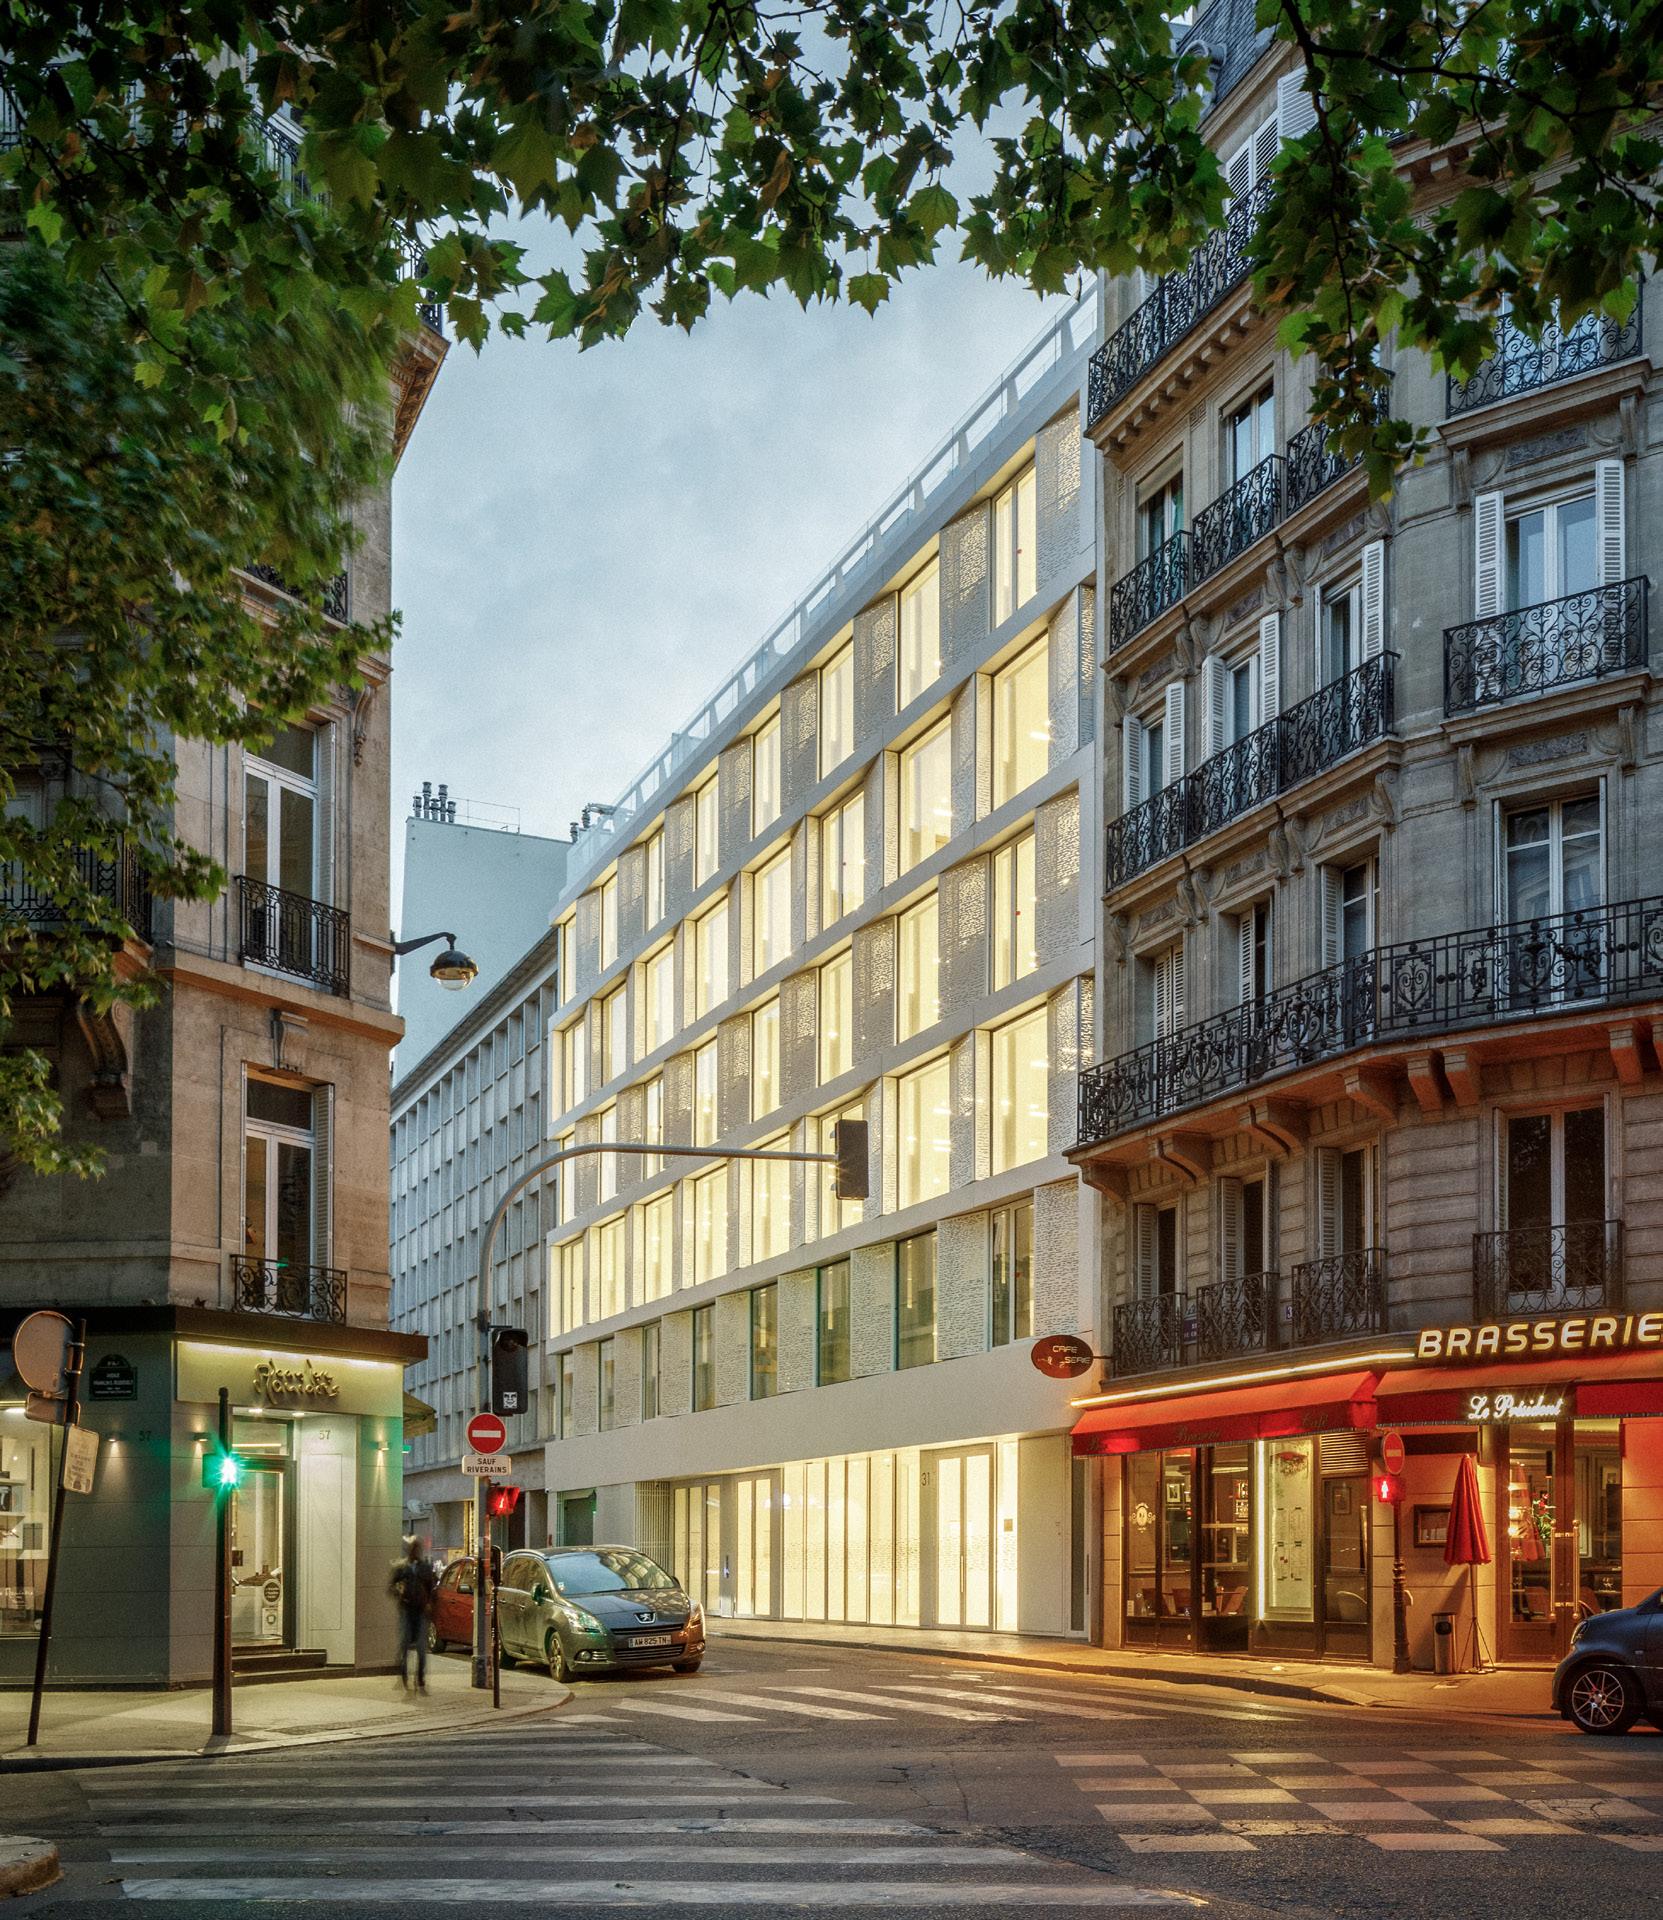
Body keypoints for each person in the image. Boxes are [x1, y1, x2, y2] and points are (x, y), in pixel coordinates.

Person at [390, 1535, 438, 1692]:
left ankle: (420, 1678)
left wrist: (430, 1603)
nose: (415, 1551)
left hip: (421, 1610)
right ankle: (403, 1673)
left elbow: (432, 1588)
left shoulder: (425, 1568)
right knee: (404, 1643)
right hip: (406, 1608)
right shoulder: (401, 1568)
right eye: (413, 1548)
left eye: (417, 1548)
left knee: (422, 1647)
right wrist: (398, 1591)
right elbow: (391, 1587)